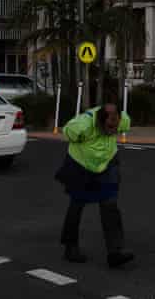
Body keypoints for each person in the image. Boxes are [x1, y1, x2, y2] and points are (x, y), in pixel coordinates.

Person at [56, 97, 133, 268]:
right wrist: (77, 137)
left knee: (110, 205)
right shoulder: (82, 125)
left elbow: (121, 124)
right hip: (80, 164)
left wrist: (114, 129)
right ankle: (70, 247)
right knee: (77, 204)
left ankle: (115, 252)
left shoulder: (122, 120)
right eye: (108, 127)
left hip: (107, 162)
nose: (112, 131)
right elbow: (66, 131)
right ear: (99, 121)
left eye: (115, 128)